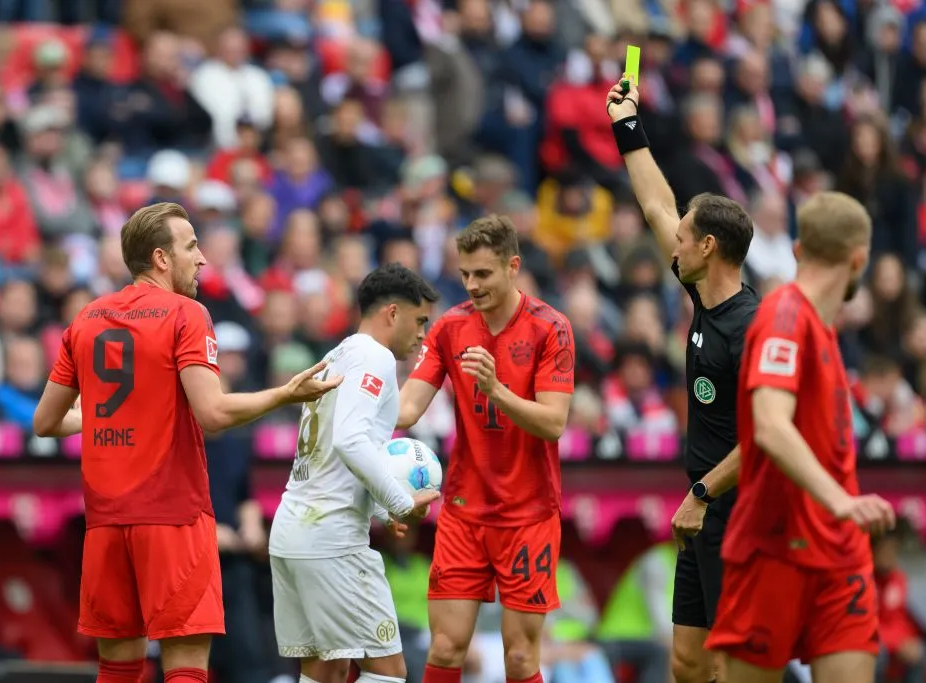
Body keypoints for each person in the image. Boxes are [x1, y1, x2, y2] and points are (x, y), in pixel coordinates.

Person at [32, 202, 342, 683]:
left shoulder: (86, 318)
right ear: (161, 258)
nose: (202, 259)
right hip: (173, 517)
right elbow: (213, 412)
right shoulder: (187, 314)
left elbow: (46, 422)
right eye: (192, 247)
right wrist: (285, 394)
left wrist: (104, 415)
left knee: (117, 668)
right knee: (186, 669)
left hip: (106, 525)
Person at [704, 191, 897, 683]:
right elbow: (770, 425)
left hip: (839, 551)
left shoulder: (820, 325)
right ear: (860, 259)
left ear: (796, 249)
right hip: (776, 546)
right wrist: (842, 501)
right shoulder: (784, 316)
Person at [606, 82, 758, 683]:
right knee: (688, 662)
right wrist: (627, 124)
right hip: (703, 511)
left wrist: (702, 493)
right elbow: (655, 206)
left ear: (709, 247)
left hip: (735, 512)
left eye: (685, 235)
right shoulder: (702, 293)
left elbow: (766, 436)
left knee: (731, 663)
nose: (674, 239)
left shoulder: (750, 329)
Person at [397, 215, 577, 683]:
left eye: (483, 273)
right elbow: (407, 409)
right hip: (464, 511)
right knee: (445, 647)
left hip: (529, 514)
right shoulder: (449, 328)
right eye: (464, 274)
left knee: (519, 658)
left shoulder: (551, 328)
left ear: (512, 266)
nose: (471, 285)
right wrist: (353, 398)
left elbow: (554, 423)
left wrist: (496, 390)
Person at [267, 262, 442, 683]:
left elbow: (333, 450)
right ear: (392, 313)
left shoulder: (338, 355)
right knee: (388, 671)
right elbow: (349, 441)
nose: (423, 334)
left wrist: (381, 510)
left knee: (325, 671)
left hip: (293, 532)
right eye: (420, 321)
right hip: (331, 539)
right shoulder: (375, 357)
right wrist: (400, 503)